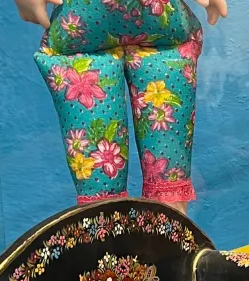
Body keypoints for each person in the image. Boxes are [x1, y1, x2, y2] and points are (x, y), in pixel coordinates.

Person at [12, 0, 228, 214]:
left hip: (158, 36)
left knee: (168, 177)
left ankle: (168, 231)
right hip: (85, 40)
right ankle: (108, 228)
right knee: (100, 183)